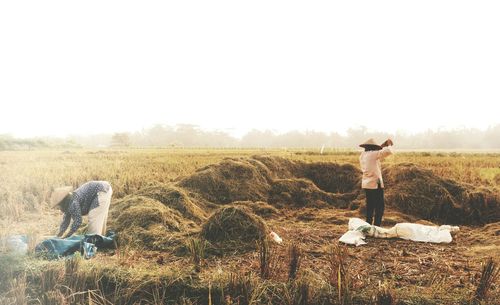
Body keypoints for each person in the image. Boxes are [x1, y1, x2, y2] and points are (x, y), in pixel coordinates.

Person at [359, 138, 393, 226]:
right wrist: (388, 144)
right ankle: (377, 225)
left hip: (367, 184)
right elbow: (388, 151)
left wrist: (383, 145)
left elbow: (378, 150)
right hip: (375, 184)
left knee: (370, 205)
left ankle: (368, 224)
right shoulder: (373, 154)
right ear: (373, 148)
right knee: (379, 206)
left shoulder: (363, 155)